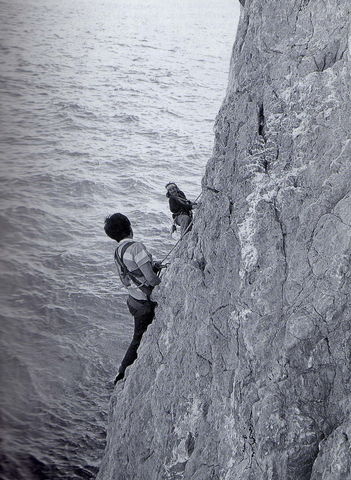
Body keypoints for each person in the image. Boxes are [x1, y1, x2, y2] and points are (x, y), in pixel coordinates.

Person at [104, 213, 161, 385]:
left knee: (138, 336)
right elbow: (151, 280)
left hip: (133, 300)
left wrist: (150, 266)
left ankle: (123, 372)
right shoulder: (136, 247)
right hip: (144, 302)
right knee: (138, 339)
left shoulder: (118, 251)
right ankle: (121, 375)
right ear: (129, 226)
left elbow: (130, 273)